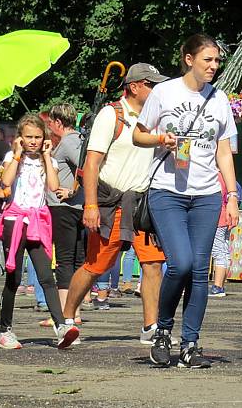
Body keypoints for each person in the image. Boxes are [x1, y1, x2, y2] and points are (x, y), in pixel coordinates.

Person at [134, 34, 239, 368]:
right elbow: (138, 134)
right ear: (188, 59)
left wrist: (232, 194)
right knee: (180, 263)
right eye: (208, 59)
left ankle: (191, 342)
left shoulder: (220, 99)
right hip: (168, 191)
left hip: (207, 195)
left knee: (199, 271)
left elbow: (224, 150)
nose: (214, 66)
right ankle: (163, 331)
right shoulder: (164, 92)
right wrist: (159, 137)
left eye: (217, 60)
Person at [60, 63, 169, 347]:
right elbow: (92, 162)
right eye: (152, 84)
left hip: (143, 201)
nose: (158, 90)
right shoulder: (112, 114)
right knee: (97, 265)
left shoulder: (156, 118)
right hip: (113, 201)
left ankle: (150, 326)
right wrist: (91, 205)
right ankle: (67, 319)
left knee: (154, 264)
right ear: (134, 86)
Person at [0, 114, 78, 350]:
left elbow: (53, 186)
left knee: (46, 276)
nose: (33, 141)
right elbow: (6, 182)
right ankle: (5, 331)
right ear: (20, 138)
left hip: (38, 220)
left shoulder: (47, 160)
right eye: (28, 137)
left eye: (37, 137)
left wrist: (48, 155)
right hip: (16, 219)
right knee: (14, 277)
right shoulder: (13, 157)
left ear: (44, 139)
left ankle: (61, 326)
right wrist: (18, 155)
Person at [44, 103, 86, 325]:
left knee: (64, 260)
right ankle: (74, 311)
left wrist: (72, 190)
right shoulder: (75, 140)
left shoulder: (70, 142)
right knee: (76, 259)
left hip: (65, 208)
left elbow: (85, 166)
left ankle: (64, 312)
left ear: (59, 122)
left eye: (50, 122)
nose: (49, 126)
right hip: (76, 208)